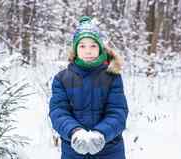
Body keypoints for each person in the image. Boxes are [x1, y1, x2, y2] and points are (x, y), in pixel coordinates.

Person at [49, 16, 129, 159]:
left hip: (109, 150)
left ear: (100, 48)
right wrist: (74, 131)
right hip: (74, 151)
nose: (88, 51)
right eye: (82, 46)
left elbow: (118, 112)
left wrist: (101, 133)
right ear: (75, 49)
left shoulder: (112, 76)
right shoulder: (62, 79)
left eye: (93, 45)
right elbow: (58, 112)